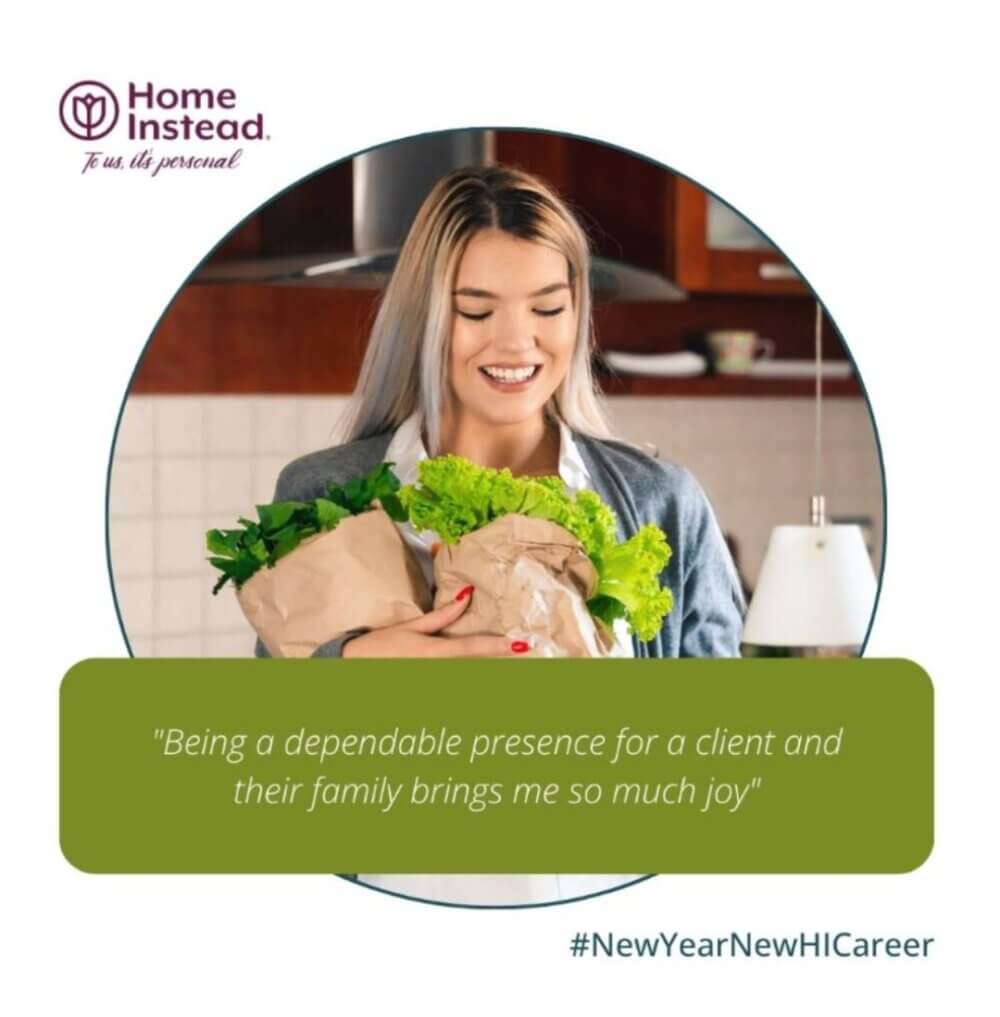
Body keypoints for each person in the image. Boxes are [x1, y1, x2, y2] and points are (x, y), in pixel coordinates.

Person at [257, 164, 745, 905]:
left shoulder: (659, 503)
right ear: (424, 318)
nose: (517, 342)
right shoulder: (323, 493)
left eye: (548, 306)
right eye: (475, 311)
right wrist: (345, 668)